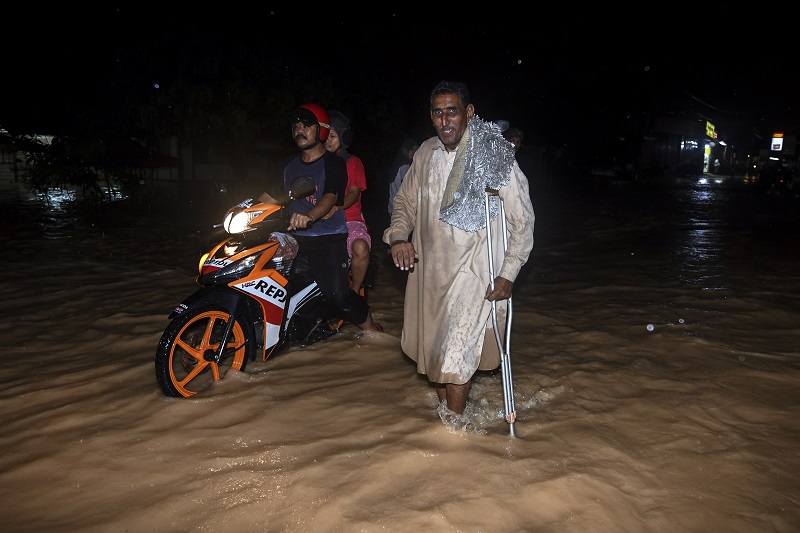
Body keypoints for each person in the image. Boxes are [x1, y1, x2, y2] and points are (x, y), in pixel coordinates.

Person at [383, 81, 535, 422]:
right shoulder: (424, 154)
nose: (445, 120)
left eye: (452, 111)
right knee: (435, 355)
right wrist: (397, 238)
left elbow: (522, 221)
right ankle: (451, 416)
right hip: (430, 273)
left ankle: (452, 440)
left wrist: (508, 273)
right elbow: (404, 203)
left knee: (456, 355)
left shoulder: (496, 157)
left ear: (469, 112)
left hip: (475, 273)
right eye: (438, 113)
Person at [258, 103, 381, 332]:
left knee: (339, 296)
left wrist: (309, 216)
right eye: (296, 125)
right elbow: (271, 196)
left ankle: (370, 328)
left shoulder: (335, 163)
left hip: (328, 237)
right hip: (295, 236)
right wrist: (244, 210)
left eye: (306, 125)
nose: (299, 129)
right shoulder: (289, 165)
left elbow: (330, 197)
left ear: (321, 130)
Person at [324, 110, 371, 295]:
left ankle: (354, 290)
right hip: (322, 221)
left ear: (344, 137)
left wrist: (337, 206)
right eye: (325, 135)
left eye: (333, 136)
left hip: (349, 219)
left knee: (360, 247)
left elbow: (353, 193)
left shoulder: (352, 162)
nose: (327, 140)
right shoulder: (316, 162)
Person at [387, 138, 420, 218]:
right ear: (405, 150)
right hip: (401, 208)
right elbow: (404, 188)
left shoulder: (400, 163)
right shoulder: (404, 165)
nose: (414, 152)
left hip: (395, 206)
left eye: (416, 149)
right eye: (412, 149)